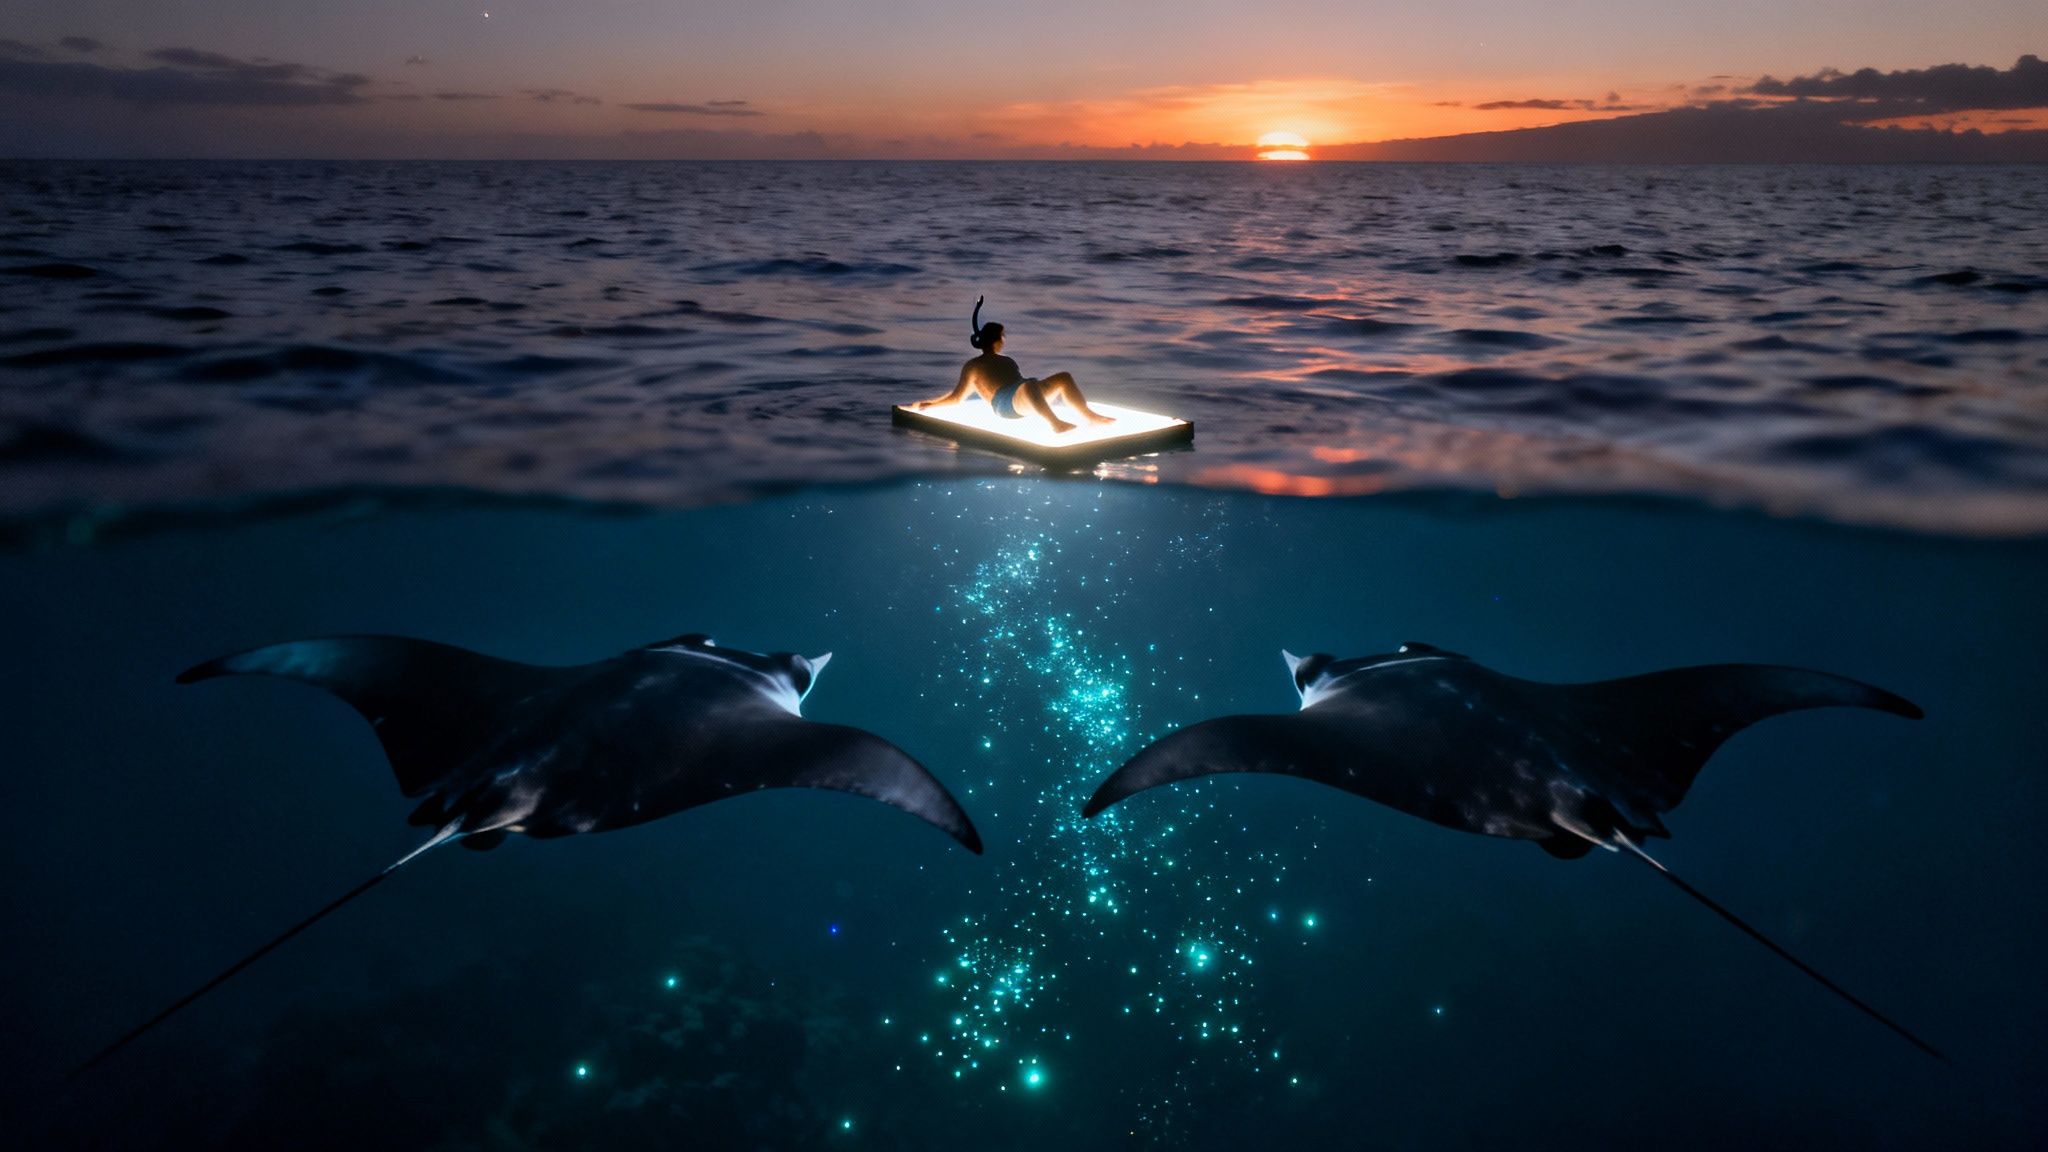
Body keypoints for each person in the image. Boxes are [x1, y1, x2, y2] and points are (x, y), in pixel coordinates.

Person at [909, 298, 1114, 434]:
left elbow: (1024, 387)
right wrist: (929, 404)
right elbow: (956, 397)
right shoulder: (974, 366)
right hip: (1005, 405)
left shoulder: (1007, 360)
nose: (1004, 339)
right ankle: (1055, 424)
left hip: (1023, 392)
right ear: (995, 339)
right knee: (1029, 385)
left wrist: (1030, 390)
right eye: (1003, 336)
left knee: (1064, 377)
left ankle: (1089, 416)